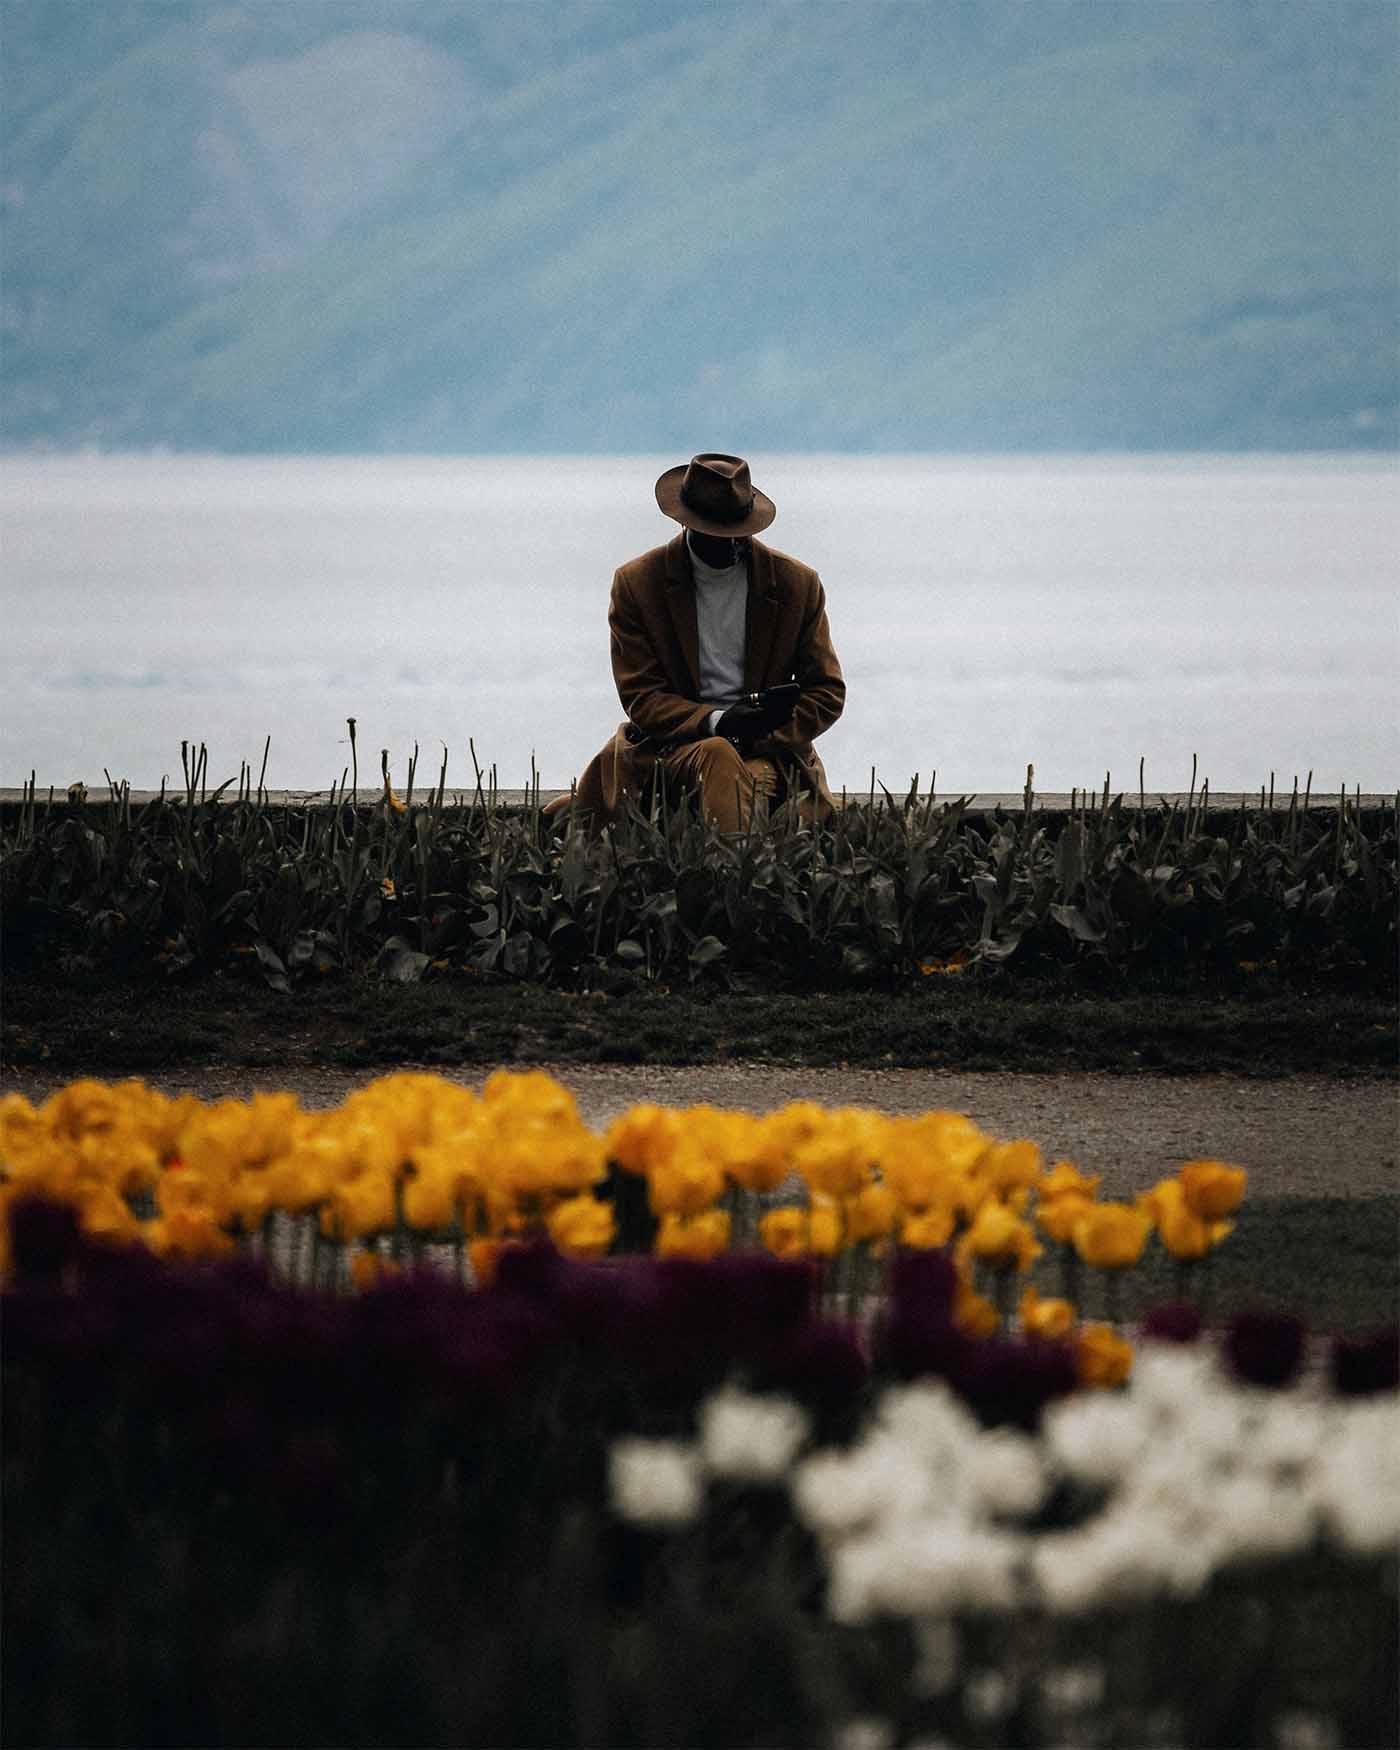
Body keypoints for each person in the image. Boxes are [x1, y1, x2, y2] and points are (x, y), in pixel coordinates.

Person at [549, 453, 845, 833]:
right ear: (688, 524)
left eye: (740, 530)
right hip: (670, 749)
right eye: (717, 532)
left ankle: (722, 881)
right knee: (718, 753)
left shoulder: (796, 585)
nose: (732, 542)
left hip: (767, 753)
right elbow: (641, 696)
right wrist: (718, 723)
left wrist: (761, 732)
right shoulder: (638, 584)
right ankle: (739, 883)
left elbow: (826, 690)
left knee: (731, 768)